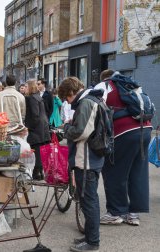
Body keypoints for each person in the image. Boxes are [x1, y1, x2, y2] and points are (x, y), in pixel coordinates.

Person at [94, 69, 152, 226]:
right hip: (145, 130)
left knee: (114, 170)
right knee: (137, 171)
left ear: (104, 78)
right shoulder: (131, 84)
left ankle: (116, 212)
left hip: (123, 132)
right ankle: (133, 213)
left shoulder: (104, 85)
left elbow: (96, 109)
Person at [58, 77, 104, 252]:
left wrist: (67, 128)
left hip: (86, 160)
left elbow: (80, 132)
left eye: (66, 98)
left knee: (88, 201)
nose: (68, 102)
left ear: (70, 92)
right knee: (89, 200)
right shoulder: (93, 99)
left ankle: (93, 242)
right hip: (91, 158)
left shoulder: (85, 103)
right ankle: (90, 236)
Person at [24, 79, 50, 180]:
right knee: (40, 150)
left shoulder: (31, 98)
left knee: (37, 150)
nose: (25, 88)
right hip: (42, 126)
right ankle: (39, 173)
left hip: (37, 128)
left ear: (30, 87)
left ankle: (37, 173)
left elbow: (35, 114)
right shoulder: (37, 96)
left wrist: (29, 127)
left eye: (26, 86)